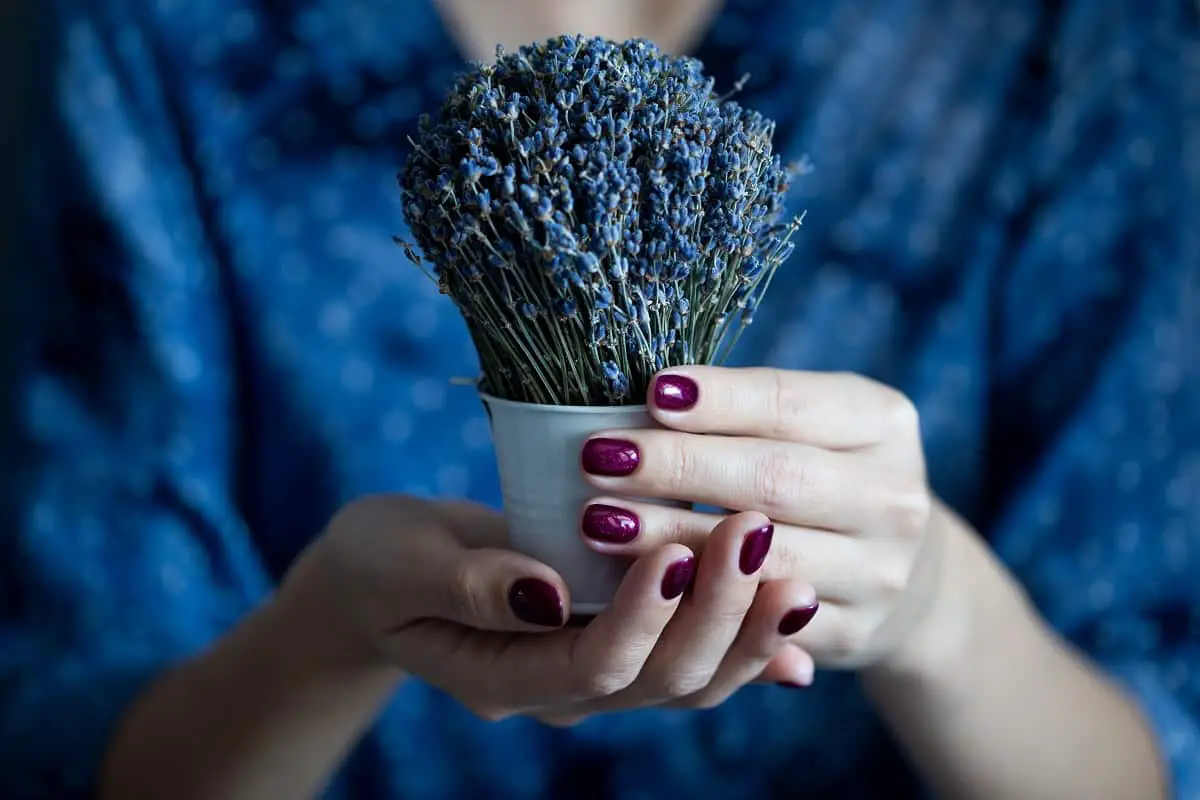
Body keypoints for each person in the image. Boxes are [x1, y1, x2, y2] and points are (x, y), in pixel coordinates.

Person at [2, 0, 1196, 797]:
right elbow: (75, 735)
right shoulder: (174, 38)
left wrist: (935, 607)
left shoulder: (1070, 46)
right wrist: (327, 630)